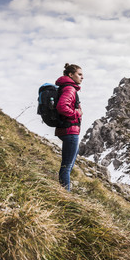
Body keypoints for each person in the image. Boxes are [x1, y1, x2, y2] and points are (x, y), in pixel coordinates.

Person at [55, 63, 83, 191]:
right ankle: (65, 196)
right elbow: (62, 107)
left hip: (66, 130)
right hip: (70, 130)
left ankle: (63, 191)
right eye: (79, 74)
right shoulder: (70, 89)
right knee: (66, 167)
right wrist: (77, 113)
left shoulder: (65, 87)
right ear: (71, 75)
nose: (82, 77)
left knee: (67, 165)